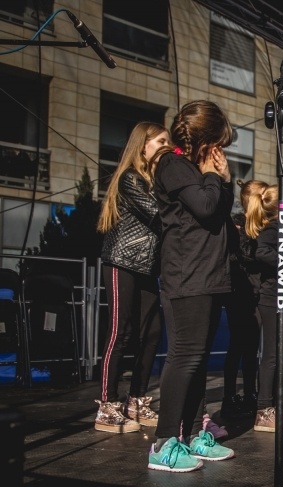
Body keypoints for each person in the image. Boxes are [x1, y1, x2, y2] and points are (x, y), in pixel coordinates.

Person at [148, 100, 236, 472]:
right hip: (186, 275)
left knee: (198, 360)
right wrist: (212, 176)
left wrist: (226, 180)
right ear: (205, 139)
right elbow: (203, 205)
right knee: (184, 357)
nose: (221, 150)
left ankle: (192, 436)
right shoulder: (172, 164)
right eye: (218, 142)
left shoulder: (198, 169)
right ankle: (164, 442)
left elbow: (219, 210)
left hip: (209, 274)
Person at [95, 122, 168, 434]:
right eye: (162, 141)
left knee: (151, 334)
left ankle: (136, 399)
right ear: (144, 145)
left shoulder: (155, 180)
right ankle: (106, 405)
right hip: (123, 260)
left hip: (148, 266)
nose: (168, 146)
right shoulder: (131, 178)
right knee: (119, 332)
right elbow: (157, 215)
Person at [240, 181, 283, 432]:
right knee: (271, 356)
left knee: (280, 355)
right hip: (272, 297)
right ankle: (264, 409)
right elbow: (261, 253)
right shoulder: (272, 229)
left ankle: (277, 403)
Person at [219, 209, 261, 422]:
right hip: (239, 292)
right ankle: (231, 396)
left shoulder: (253, 225)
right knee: (238, 347)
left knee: (249, 348)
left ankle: (248, 393)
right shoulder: (240, 223)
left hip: (250, 292)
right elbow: (245, 254)